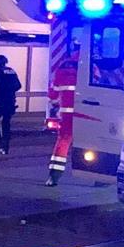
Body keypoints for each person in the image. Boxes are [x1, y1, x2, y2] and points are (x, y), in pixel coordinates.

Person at [44, 57, 78, 186]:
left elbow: (53, 93)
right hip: (87, 113)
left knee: (63, 142)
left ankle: (54, 177)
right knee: (92, 143)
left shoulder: (63, 66)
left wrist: (54, 101)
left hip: (66, 114)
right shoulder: (92, 65)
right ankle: (99, 177)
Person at [0, 55, 21, 154]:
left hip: (1, 102)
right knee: (6, 123)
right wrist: (10, 92)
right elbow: (18, 85)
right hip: (10, 101)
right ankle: (5, 147)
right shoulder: (11, 71)